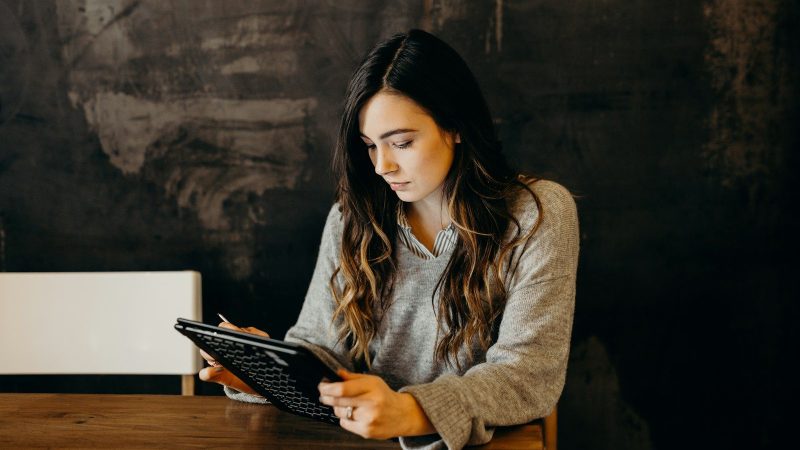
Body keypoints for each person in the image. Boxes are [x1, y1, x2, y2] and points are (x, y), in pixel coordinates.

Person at [199, 29, 579, 450]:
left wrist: (410, 411)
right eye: (369, 147)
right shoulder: (351, 219)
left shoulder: (537, 214)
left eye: (401, 143)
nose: (383, 166)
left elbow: (527, 374)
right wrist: (263, 373)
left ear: (455, 126)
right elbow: (323, 354)